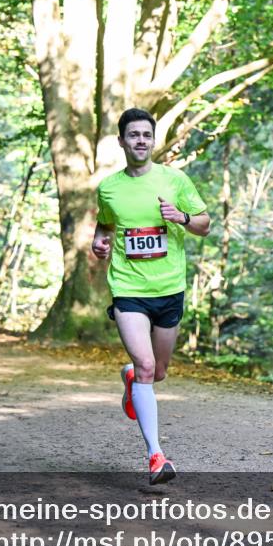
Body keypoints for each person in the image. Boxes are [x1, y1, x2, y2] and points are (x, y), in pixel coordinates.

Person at [92, 108, 210, 485]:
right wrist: (99, 241)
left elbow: (204, 226)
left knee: (156, 372)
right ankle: (156, 456)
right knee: (146, 366)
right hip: (128, 288)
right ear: (122, 141)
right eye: (133, 135)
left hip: (169, 288)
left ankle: (132, 379)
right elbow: (106, 220)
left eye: (146, 134)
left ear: (153, 140)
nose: (140, 140)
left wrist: (182, 218)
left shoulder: (175, 180)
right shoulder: (109, 187)